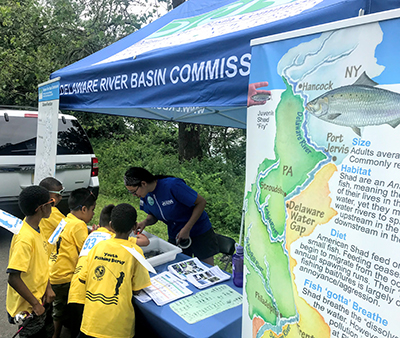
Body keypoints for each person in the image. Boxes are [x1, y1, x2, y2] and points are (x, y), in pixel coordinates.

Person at [67, 204, 149, 337]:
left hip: (91, 321)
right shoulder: (136, 252)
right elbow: (138, 289)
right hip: (118, 326)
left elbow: (84, 277)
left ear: (111, 224)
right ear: (134, 227)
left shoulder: (98, 247)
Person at [124, 167, 219, 266]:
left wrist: (187, 228)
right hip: (176, 233)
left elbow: (201, 202)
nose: (134, 195)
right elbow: (154, 215)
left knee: (206, 267)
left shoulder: (172, 186)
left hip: (199, 231)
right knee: (180, 265)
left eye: (134, 192)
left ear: (143, 183)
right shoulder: (145, 195)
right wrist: (145, 222)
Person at [6, 185, 56, 338]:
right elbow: (13, 277)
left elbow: (41, 265)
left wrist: (48, 288)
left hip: (40, 299)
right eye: (51, 202)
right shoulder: (25, 239)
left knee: (48, 331)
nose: (53, 206)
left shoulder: (36, 229)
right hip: (29, 307)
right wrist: (35, 304)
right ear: (41, 208)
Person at [49, 188, 96, 338]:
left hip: (53, 272)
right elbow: (86, 250)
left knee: (58, 306)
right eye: (92, 210)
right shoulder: (79, 225)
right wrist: (94, 235)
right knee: (71, 305)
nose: (94, 213)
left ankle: (56, 333)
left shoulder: (65, 220)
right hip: (66, 276)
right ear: (83, 209)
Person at [38, 177, 66, 258]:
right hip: (49, 255)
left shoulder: (34, 210)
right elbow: (70, 227)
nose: (60, 197)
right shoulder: (52, 212)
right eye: (57, 195)